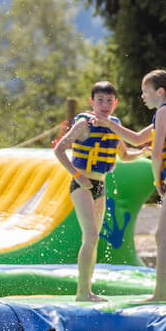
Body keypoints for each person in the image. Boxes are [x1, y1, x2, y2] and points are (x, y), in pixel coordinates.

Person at [106, 68, 166, 304]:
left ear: (159, 92)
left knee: (162, 237)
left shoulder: (163, 112)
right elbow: (139, 140)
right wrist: (108, 123)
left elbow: (157, 153)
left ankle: (160, 294)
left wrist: (158, 181)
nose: (142, 96)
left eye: (145, 91)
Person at [54, 80, 141, 302]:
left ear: (116, 103)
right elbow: (59, 149)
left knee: (92, 240)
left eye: (109, 101)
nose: (105, 105)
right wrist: (77, 175)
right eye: (100, 100)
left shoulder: (115, 125)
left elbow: (124, 155)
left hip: (100, 185)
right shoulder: (84, 123)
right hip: (81, 185)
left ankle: (88, 290)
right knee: (91, 235)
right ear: (92, 102)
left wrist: (144, 152)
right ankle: (82, 293)